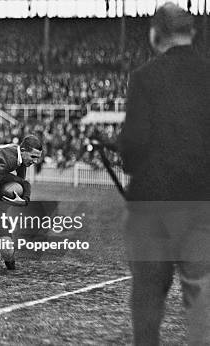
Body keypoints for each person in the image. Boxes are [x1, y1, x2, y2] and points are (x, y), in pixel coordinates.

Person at [118, 3, 210, 344]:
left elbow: (133, 147)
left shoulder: (144, 78)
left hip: (152, 208)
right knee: (203, 299)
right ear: (193, 33)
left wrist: (124, 153)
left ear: (155, 34)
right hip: (203, 204)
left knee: (147, 296)